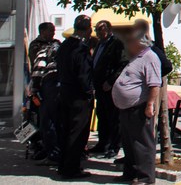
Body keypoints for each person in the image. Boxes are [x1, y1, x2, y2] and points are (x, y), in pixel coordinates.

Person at [112, 29, 161, 185]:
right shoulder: (137, 57)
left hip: (139, 107)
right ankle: (130, 172)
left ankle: (146, 178)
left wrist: (150, 105)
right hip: (127, 108)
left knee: (143, 144)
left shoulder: (150, 57)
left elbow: (154, 85)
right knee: (128, 142)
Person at [56, 15, 94, 179]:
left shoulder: (64, 45)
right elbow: (83, 76)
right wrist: (89, 92)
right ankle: (72, 167)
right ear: (88, 29)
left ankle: (63, 164)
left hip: (64, 91)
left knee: (65, 130)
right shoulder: (81, 49)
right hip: (78, 95)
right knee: (77, 132)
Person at [90, 20, 125, 159]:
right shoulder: (99, 44)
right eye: (97, 30)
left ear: (109, 29)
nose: (98, 33)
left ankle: (114, 146)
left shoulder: (116, 43)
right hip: (99, 86)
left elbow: (122, 65)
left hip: (110, 87)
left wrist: (111, 81)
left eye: (101, 30)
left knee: (113, 117)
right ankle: (103, 143)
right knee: (102, 116)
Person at [28, 22, 61, 162]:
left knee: (50, 120)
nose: (53, 33)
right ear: (42, 31)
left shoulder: (57, 43)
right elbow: (37, 66)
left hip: (53, 89)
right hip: (40, 86)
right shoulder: (36, 45)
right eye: (50, 31)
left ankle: (52, 150)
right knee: (36, 118)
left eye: (54, 31)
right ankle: (37, 145)